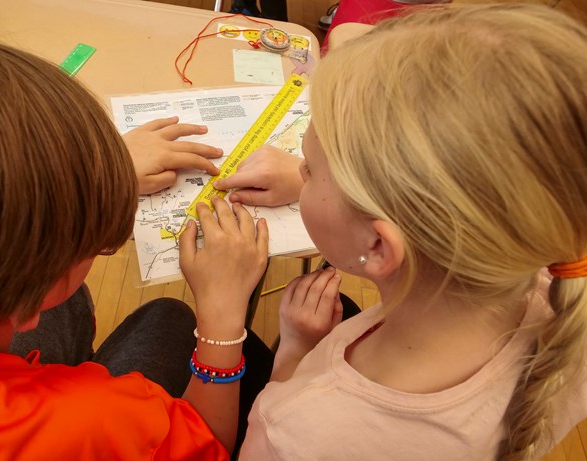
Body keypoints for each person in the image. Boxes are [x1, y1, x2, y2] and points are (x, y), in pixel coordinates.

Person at [221, 4, 587, 460]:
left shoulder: (297, 428)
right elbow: (355, 32)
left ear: (377, 245)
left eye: (310, 169)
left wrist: (295, 351)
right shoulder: (565, 294)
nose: (299, 168)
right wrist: (342, 183)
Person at [0, 33, 270, 459]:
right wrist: (222, 320)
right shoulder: (91, 420)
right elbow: (208, 445)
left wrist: (91, 177)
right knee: (170, 317)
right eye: (93, 242)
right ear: (29, 297)